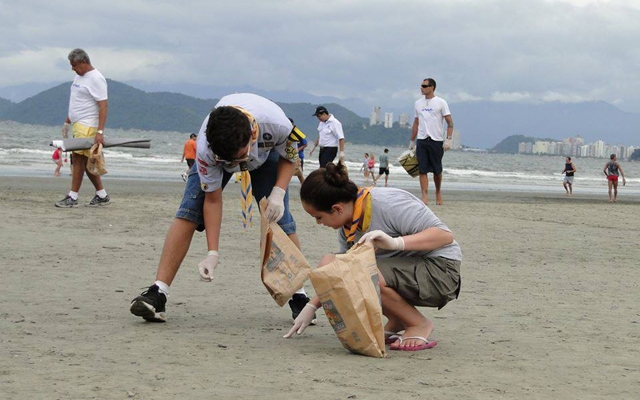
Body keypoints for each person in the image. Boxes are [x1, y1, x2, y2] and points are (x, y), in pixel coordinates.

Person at [130, 93, 315, 324]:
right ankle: (158, 292)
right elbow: (213, 200)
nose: (236, 165)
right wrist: (212, 253)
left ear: (252, 135)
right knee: (189, 211)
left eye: (238, 158)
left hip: (268, 157)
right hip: (221, 155)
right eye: (229, 161)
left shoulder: (277, 124)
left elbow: (290, 156)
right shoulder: (207, 149)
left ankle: (299, 296)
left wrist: (278, 192)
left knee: (280, 219)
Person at [284, 161, 462, 351]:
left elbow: (445, 236)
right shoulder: (348, 226)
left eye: (319, 217)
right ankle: (397, 319)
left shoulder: (387, 204)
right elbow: (339, 272)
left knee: (363, 273)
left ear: (337, 209)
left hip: (441, 271)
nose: (319, 223)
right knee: (329, 263)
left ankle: (418, 324)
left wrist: (396, 243)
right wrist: (311, 306)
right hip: (407, 269)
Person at [55, 48, 110, 208]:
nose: (72, 68)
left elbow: (103, 106)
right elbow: (76, 102)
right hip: (77, 124)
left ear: (84, 62)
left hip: (88, 125)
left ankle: (73, 196)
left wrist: (100, 131)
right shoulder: (79, 77)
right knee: (85, 161)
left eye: (74, 65)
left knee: (78, 160)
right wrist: (67, 121)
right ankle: (101, 195)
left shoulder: (96, 78)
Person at [410, 78, 454, 206]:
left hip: (436, 140)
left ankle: (438, 192)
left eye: (424, 86)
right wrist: (412, 141)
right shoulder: (418, 103)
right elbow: (416, 122)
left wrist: (449, 140)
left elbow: (450, 122)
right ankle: (424, 195)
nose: (421, 88)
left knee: (437, 170)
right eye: (421, 86)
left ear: (432, 87)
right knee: (422, 170)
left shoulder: (441, 102)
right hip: (422, 140)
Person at [289, 118, 307, 185]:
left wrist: (297, 150)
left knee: (300, 173)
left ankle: (304, 186)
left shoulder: (297, 132)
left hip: (299, 156)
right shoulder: (286, 132)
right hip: (289, 156)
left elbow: (305, 144)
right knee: (288, 173)